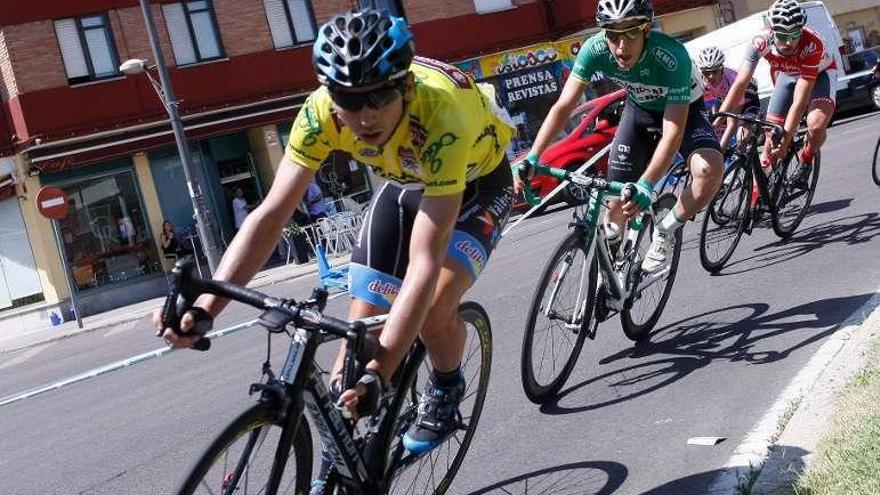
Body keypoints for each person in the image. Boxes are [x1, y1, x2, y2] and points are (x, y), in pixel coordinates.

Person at [152, 7, 514, 492]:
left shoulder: (440, 113)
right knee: (356, 331)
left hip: (475, 186)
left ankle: (447, 385)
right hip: (402, 187)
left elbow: (424, 263)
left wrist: (381, 373)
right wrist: (206, 305)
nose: (363, 116)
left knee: (432, 306)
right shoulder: (321, 112)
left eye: (377, 98)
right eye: (348, 99)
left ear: (404, 89)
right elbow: (271, 215)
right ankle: (342, 450)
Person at [514, 0, 723, 274]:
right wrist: (533, 156)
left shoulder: (672, 56)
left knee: (709, 170)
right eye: (613, 35)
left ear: (646, 30)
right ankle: (610, 271)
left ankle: (665, 230)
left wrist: (647, 184)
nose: (621, 46)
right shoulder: (594, 49)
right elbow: (564, 106)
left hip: (684, 110)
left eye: (631, 33)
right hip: (639, 111)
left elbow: (673, 132)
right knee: (615, 201)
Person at [716, 0, 836, 190]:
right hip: (787, 76)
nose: (789, 42)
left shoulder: (813, 45)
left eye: (795, 34)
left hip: (820, 75)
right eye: (782, 35)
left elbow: (799, 101)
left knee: (815, 124)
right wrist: (721, 115)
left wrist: (787, 137)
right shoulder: (760, 42)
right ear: (771, 30)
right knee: (771, 137)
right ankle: (760, 197)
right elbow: (740, 83)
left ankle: (806, 160)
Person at [696, 46, 761, 152]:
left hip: (747, 98)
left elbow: (732, 120)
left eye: (715, 71)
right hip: (724, 98)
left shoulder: (731, 79)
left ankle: (755, 131)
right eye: (706, 73)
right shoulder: (701, 80)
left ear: (721, 68)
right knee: (713, 119)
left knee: (742, 136)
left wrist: (721, 147)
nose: (710, 76)